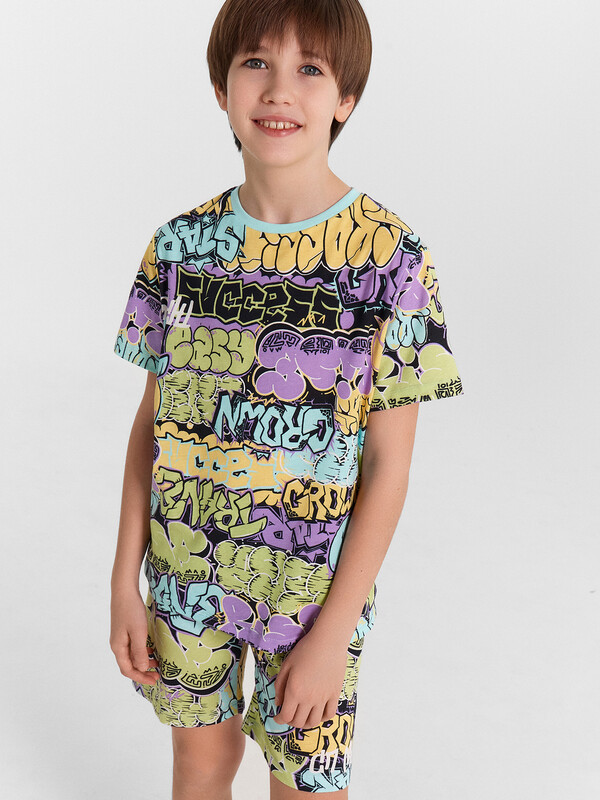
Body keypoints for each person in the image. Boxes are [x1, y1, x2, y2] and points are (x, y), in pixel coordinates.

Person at [109, 0, 464, 797]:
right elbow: (150, 426)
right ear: (221, 87)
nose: (279, 90)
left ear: (346, 99)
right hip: (184, 575)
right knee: (200, 761)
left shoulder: (391, 260)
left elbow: (389, 468)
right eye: (256, 63)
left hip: (310, 597)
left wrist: (334, 634)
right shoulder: (178, 248)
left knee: (307, 783)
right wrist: (123, 579)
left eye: (310, 69)